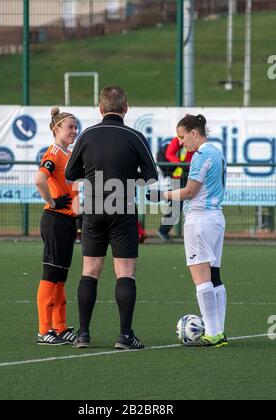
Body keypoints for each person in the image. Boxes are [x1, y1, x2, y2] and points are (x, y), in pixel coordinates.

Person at [65, 86, 158, 350]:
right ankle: (125, 336)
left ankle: (83, 335)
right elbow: (151, 176)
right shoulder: (135, 136)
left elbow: (71, 172)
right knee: (125, 273)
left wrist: (95, 175)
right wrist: (128, 178)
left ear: (100, 108)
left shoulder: (87, 135)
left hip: (93, 209)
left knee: (89, 271)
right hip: (123, 207)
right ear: (126, 107)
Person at [149, 114, 227, 347]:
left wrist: (161, 195)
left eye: (182, 137)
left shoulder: (201, 155)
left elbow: (191, 191)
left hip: (200, 219)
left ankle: (212, 333)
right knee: (214, 277)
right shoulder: (218, 152)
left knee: (201, 278)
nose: (181, 142)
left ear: (194, 133)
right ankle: (219, 331)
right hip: (215, 218)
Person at [34, 107, 79, 345]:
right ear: (56, 129)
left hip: (67, 221)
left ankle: (59, 327)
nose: (74, 130)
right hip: (55, 220)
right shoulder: (53, 153)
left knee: (61, 277)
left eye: (75, 126)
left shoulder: (69, 154)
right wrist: (52, 202)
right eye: (70, 127)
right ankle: (44, 330)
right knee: (51, 274)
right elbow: (39, 179)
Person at [157, 136, 194, 242]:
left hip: (189, 175)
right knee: (177, 206)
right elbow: (169, 153)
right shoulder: (178, 139)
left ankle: (164, 231)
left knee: (180, 205)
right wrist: (181, 164)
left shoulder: (196, 140)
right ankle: (163, 230)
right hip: (179, 177)